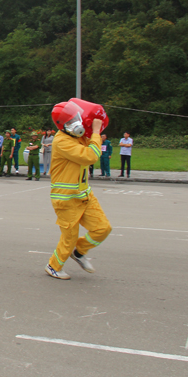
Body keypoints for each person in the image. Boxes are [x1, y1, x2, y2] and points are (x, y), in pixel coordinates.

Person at [45, 103, 112, 280]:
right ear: (62, 126)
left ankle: (79, 252)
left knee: (103, 229)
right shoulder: (62, 141)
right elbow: (91, 156)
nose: (77, 123)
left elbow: (91, 143)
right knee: (69, 237)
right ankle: (53, 266)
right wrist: (97, 132)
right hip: (66, 199)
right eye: (71, 121)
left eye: (77, 118)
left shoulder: (76, 136)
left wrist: (94, 122)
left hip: (84, 195)